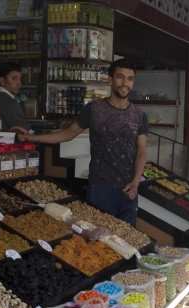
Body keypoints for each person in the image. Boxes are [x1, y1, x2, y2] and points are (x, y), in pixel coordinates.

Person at [10, 59, 148, 227]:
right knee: (97, 242)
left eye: (130, 78)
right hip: (100, 189)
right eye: (120, 77)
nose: (125, 83)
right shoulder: (93, 109)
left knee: (128, 245)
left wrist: (135, 182)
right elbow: (67, 134)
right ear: (110, 80)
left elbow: (141, 152)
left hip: (128, 190)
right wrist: (32, 137)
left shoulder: (139, 115)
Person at [0, 62, 31, 132]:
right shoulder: (11, 103)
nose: (19, 83)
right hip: (8, 142)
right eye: (14, 79)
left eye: (19, 79)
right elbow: (26, 134)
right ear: (2, 81)